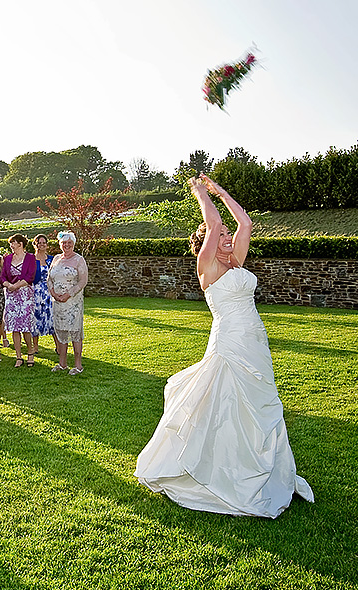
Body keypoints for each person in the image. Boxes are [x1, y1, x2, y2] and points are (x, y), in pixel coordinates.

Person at [135, 175, 315, 518]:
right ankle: (218, 471)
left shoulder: (236, 262)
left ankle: (256, 467)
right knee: (224, 402)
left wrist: (221, 191)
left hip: (255, 341)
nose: (229, 237)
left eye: (229, 237)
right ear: (209, 243)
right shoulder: (209, 267)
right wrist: (200, 193)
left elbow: (245, 221)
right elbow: (214, 221)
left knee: (259, 404)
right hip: (229, 342)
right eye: (221, 236)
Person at [48, 231, 88, 374]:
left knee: (75, 332)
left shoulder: (79, 259)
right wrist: (53, 293)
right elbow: (49, 278)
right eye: (64, 243)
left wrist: (68, 294)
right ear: (60, 244)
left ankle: (78, 365)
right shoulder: (57, 259)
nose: (66, 245)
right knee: (61, 332)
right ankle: (62, 363)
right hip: (58, 303)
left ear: (74, 244)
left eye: (69, 243)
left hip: (73, 303)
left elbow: (83, 281)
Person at [1, 234, 38, 368]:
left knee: (25, 327)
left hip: (25, 295)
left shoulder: (30, 258)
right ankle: (18, 356)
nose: (11, 245)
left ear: (21, 244)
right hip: (11, 296)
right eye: (11, 243)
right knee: (15, 328)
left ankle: (30, 353)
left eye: (13, 243)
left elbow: (30, 276)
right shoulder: (8, 258)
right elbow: (3, 276)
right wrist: (8, 285)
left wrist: (16, 285)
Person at [29, 234, 54, 368]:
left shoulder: (52, 259)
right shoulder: (31, 259)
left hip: (50, 292)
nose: (42, 245)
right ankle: (35, 345)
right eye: (39, 242)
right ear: (35, 244)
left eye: (44, 242)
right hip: (35, 291)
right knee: (35, 318)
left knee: (52, 318)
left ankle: (58, 345)